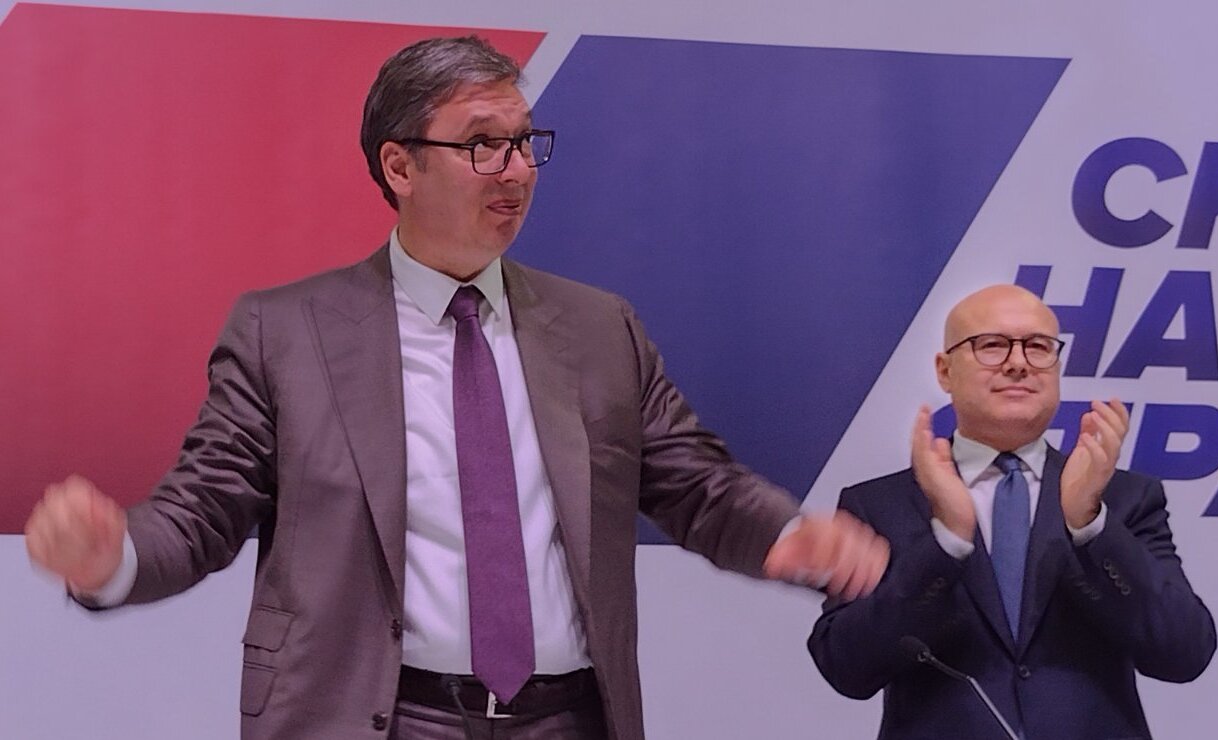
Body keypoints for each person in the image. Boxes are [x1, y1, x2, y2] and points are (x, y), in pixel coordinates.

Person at [23, 36, 889, 740]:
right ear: (401, 167)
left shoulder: (598, 330)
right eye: (482, 145)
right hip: (372, 718)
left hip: (569, 719)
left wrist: (786, 533)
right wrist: (114, 560)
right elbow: (203, 509)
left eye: (525, 143)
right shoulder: (286, 333)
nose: (516, 170)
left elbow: (696, 484)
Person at [807, 284, 1216, 739]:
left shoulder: (1124, 499)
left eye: (1038, 347)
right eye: (992, 345)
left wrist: (1091, 527)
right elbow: (847, 668)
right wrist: (946, 544)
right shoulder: (879, 505)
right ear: (945, 371)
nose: (1018, 362)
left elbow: (1185, 653)